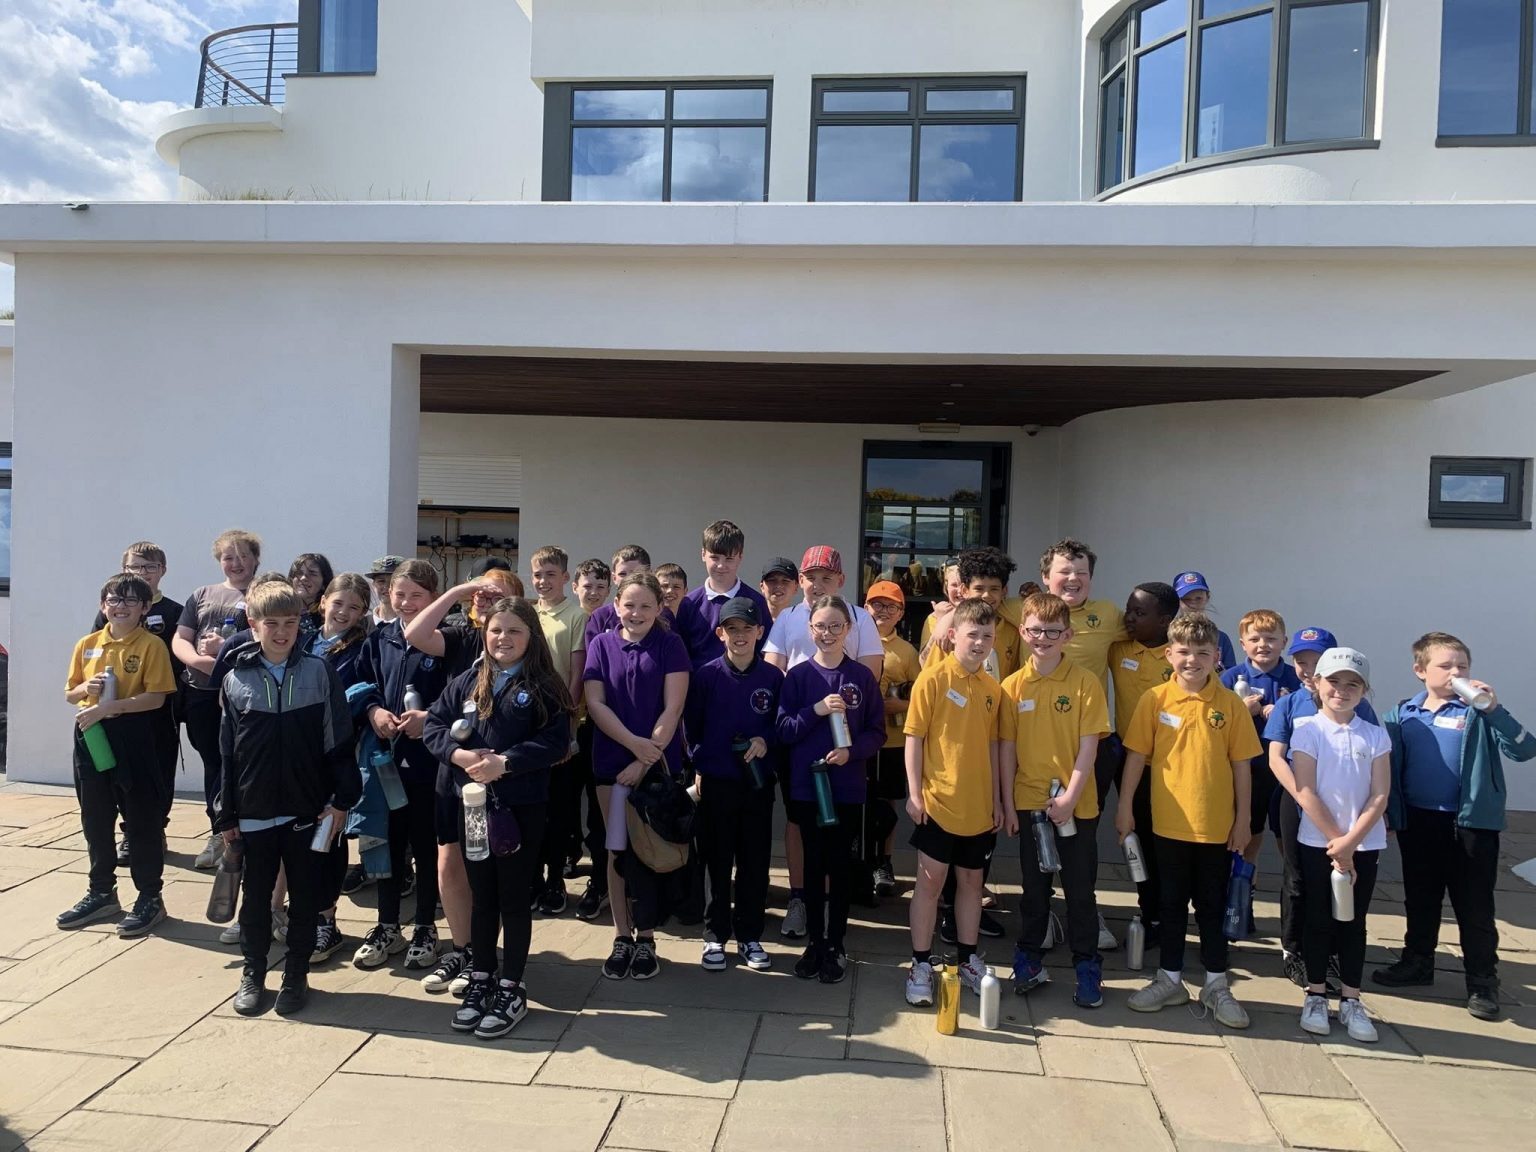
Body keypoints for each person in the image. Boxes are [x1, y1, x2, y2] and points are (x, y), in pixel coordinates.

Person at [425, 596, 573, 1039]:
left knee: (512, 896)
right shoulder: (469, 679)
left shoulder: (544, 685)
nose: (503, 638)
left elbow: (556, 742)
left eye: (514, 631)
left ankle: (511, 986)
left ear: (531, 637)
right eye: (495, 630)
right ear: (484, 634)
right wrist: (460, 754)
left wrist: (504, 763)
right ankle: (482, 977)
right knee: (481, 894)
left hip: (518, 810)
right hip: (472, 809)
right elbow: (434, 725)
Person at [1373, 632, 1536, 1020]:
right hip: (1420, 820)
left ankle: (1482, 981)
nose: (1456, 672)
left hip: (1471, 824)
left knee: (1474, 904)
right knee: (1421, 897)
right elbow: (1391, 769)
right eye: (1445, 665)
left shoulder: (1478, 712)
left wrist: (1493, 709)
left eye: (1462, 665)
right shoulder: (1402, 714)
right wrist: (1392, 815)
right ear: (1420, 670)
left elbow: (1524, 749)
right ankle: (1417, 962)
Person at [217, 581, 359, 1017]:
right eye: (272, 623)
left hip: (309, 810)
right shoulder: (235, 678)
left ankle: (295, 974)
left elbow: (339, 743)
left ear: (302, 624)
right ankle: (253, 973)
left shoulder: (319, 672)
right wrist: (225, 814)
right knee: (257, 899)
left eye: (291, 623)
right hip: (255, 811)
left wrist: (340, 802)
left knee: (305, 897)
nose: (282, 632)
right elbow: (226, 753)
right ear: (254, 625)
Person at [1118, 612, 1260, 1029]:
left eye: (1202, 653)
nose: (1192, 660)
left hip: (1217, 827)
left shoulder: (1230, 705)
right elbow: (1135, 759)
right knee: (1171, 903)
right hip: (1167, 824)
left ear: (1217, 656)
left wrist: (1243, 820)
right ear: (1169, 654)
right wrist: (1125, 807)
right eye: (1183, 652)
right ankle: (1171, 979)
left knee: (1212, 906)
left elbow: (1241, 767)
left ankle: (1216, 984)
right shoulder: (1155, 700)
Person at [764, 546, 883, 940]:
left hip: (845, 766)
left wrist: (852, 746)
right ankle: (803, 904)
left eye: (826, 578)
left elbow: (869, 702)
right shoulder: (788, 620)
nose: (817, 584)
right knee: (802, 831)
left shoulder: (861, 619)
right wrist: (809, 710)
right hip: (802, 757)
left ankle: (834, 927)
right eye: (810, 577)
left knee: (838, 850)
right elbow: (773, 679)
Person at [1001, 592, 1110, 1007]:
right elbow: (1007, 749)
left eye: (1051, 632)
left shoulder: (1085, 683)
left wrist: (1071, 796)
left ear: (1068, 634)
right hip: (1031, 805)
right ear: (1023, 632)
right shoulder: (1013, 686)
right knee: (1033, 890)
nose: (1042, 638)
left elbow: (1089, 749)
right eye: (1034, 631)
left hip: (1076, 807)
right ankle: (1028, 958)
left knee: (1080, 891)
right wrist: (1010, 805)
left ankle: (1087, 967)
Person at [394, 572, 501, 988]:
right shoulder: (461, 638)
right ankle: (462, 949)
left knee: (484, 867)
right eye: (480, 593)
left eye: (496, 593)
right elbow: (415, 631)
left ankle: (483, 956)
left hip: (490, 778)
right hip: (451, 772)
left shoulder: (517, 645)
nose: (484, 599)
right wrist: (458, 591)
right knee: (448, 860)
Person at [353, 560, 458, 974]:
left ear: (433, 597)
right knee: (388, 843)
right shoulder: (378, 639)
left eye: (418, 595)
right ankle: (386, 924)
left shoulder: (447, 640)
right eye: (401, 594)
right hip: (386, 761)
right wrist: (375, 712)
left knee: (427, 844)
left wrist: (429, 719)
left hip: (429, 764)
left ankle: (426, 926)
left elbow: (462, 694)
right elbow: (362, 686)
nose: (408, 602)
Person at [57, 573, 176, 937]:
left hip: (132, 737)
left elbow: (156, 697)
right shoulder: (87, 643)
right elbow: (70, 694)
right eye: (113, 600)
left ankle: (150, 896)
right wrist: (84, 690)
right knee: (95, 816)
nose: (120, 607)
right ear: (102, 605)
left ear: (144, 608)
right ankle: (101, 891)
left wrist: (112, 707)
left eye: (129, 601)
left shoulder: (151, 645)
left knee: (141, 818)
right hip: (91, 735)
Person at [584, 571, 690, 980]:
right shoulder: (600, 644)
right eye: (629, 604)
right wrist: (632, 745)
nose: (637, 612)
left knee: (648, 853)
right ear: (616, 606)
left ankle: (646, 937)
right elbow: (595, 703)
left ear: (660, 608)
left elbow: (672, 708)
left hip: (655, 767)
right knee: (615, 854)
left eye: (647, 605)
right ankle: (621, 935)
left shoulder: (671, 644)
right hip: (612, 763)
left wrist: (645, 759)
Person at [777, 594, 885, 983]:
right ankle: (815, 943)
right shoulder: (799, 677)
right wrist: (815, 711)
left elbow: (877, 731)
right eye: (820, 626)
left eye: (835, 626)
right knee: (814, 863)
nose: (827, 633)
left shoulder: (861, 677)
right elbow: (784, 729)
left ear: (848, 630)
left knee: (840, 867)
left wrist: (851, 752)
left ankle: (835, 942)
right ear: (810, 629)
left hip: (846, 788)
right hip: (808, 787)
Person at [1264, 627, 1379, 987]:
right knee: (1298, 879)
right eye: (1301, 662)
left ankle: (1329, 951)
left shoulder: (1362, 710)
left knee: (1337, 881)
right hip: (1298, 802)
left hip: (1344, 809)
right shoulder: (1289, 703)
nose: (1307, 668)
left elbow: (1376, 764)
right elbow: (1276, 757)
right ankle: (1293, 950)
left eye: (1315, 661)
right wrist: (1302, 794)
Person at [902, 598, 1002, 1007]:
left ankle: (967, 960)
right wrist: (913, 792)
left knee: (972, 885)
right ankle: (921, 964)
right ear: (953, 634)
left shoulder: (994, 689)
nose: (979, 642)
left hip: (978, 808)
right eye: (972, 634)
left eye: (987, 636)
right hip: (938, 802)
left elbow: (995, 747)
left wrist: (997, 800)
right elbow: (914, 737)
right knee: (929, 883)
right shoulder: (932, 679)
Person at [1289, 647, 1389, 1043]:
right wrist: (1336, 842)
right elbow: (1305, 789)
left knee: (1353, 920)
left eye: (1353, 684)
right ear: (1316, 683)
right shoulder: (1308, 730)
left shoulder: (1375, 735)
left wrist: (1352, 842)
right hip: (1319, 843)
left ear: (1364, 690)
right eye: (1334, 681)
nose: (1342, 691)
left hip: (1363, 844)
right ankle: (1315, 993)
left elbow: (1379, 795)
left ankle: (1351, 998)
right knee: (1317, 917)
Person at [685, 596, 783, 972]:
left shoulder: (774, 679)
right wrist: (701, 762)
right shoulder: (706, 676)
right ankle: (714, 935)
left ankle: (750, 935)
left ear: (760, 632)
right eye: (732, 629)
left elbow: (781, 725)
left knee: (755, 860)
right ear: (720, 633)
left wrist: (765, 741)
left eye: (747, 629)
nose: (740, 636)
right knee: (716, 860)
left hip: (757, 785)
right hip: (718, 782)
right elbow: (690, 727)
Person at [172, 528, 260, 871]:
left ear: (255, 559)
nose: (236, 563)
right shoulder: (202, 594)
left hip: (247, 694)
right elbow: (181, 639)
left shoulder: (266, 592)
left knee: (246, 765)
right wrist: (200, 662)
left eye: (242, 556)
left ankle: (249, 833)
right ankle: (218, 831)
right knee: (214, 763)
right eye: (228, 557)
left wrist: (222, 655)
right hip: (202, 694)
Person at [91, 542, 183, 866]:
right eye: (134, 567)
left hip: (158, 710)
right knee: (120, 776)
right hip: (117, 711)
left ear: (162, 571)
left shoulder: (175, 611)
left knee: (159, 774)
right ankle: (131, 833)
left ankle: (155, 829)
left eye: (148, 567)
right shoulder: (110, 609)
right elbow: (93, 655)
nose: (141, 573)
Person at [1219, 609, 1302, 932]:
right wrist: (1244, 710)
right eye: (1254, 639)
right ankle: (1241, 903)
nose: (1263, 645)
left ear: (1284, 642)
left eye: (1270, 639)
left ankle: (1292, 911)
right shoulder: (1231, 678)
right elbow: (1218, 721)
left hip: (1287, 773)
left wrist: (1279, 712)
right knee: (1247, 838)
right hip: (1247, 772)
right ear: (1242, 643)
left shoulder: (1295, 678)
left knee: (1288, 842)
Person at [304, 573, 373, 964]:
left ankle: (326, 921)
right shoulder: (301, 638)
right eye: (339, 602)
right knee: (298, 836)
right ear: (323, 600)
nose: (344, 612)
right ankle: (300, 912)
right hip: (295, 755)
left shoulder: (361, 648)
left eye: (354, 607)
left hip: (334, 755)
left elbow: (365, 694)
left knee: (327, 835)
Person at [1105, 582, 1179, 938]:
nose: (1129, 618)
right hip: (1131, 763)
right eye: (1128, 609)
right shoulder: (1119, 648)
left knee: (1168, 842)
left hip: (1173, 766)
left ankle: (1172, 911)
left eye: (1139, 613)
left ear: (1165, 620)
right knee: (1138, 838)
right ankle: (1149, 912)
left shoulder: (1180, 656)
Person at [528, 546, 589, 915]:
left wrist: (567, 726)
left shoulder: (576, 616)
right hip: (524, 728)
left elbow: (577, 675)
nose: (543, 582)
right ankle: (532, 878)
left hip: (559, 727)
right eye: (537, 575)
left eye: (551, 574)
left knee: (559, 810)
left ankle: (555, 881)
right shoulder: (526, 613)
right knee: (532, 808)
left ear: (565, 578)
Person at [865, 580, 919, 898]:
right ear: (866, 607)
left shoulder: (907, 651)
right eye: (877, 604)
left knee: (887, 804)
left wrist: (901, 704)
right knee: (859, 803)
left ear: (900, 613)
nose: (883, 612)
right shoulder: (853, 639)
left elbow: (920, 696)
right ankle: (860, 859)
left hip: (893, 740)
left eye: (891, 606)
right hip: (859, 740)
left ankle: (884, 861)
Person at [570, 557, 612, 920]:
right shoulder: (571, 619)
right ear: (576, 586)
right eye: (589, 586)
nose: (594, 592)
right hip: (574, 726)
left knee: (602, 813)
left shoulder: (612, 621)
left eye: (601, 586)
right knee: (570, 807)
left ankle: (603, 881)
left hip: (606, 727)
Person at [676, 520, 772, 669]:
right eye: (715, 557)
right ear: (703, 554)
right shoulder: (689, 603)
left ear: (740, 557)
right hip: (700, 688)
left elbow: (765, 651)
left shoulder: (756, 602)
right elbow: (681, 655)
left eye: (729, 558)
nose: (721, 565)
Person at [1172, 571, 1237, 670]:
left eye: (1198, 598)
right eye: (1186, 599)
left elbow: (1230, 676)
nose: (1193, 604)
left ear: (1207, 598)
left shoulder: (1221, 638)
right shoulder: (1169, 636)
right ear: (1176, 601)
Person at [288, 553, 334, 634]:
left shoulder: (328, 617)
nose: (303, 578)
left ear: (324, 583)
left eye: (312, 573)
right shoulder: (282, 611)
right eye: (299, 573)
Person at [758, 556, 799, 622]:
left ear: (796, 587)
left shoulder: (804, 623)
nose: (778, 585)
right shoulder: (751, 623)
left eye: (785, 580)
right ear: (762, 586)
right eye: (772, 580)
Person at [367, 555, 405, 626]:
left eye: (393, 581)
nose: (387, 586)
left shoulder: (412, 625)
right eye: (381, 581)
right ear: (373, 584)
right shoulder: (362, 627)